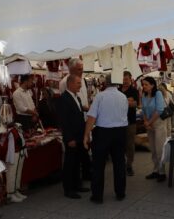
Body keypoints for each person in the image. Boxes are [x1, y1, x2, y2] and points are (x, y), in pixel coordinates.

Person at [83, 74, 128, 204]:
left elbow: (92, 117)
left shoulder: (100, 96)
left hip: (103, 132)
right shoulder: (123, 97)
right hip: (120, 132)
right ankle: (120, 192)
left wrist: (86, 135)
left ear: (105, 83)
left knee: (98, 165)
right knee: (119, 163)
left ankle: (97, 196)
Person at [59, 58, 91, 180]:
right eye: (79, 69)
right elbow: (65, 116)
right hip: (72, 129)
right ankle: (70, 186)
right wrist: (69, 137)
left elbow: (79, 103)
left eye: (82, 69)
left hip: (81, 125)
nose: (81, 71)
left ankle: (79, 181)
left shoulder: (80, 83)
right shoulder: (64, 84)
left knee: (79, 156)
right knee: (71, 159)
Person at [58, 75, 89, 199]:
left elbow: (79, 117)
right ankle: (68, 189)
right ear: (70, 84)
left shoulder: (77, 98)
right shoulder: (64, 99)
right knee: (70, 163)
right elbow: (64, 121)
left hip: (79, 135)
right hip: (71, 137)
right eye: (78, 83)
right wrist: (69, 138)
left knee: (77, 162)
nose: (80, 86)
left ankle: (77, 184)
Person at [141, 77, 167, 182]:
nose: (144, 86)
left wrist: (149, 122)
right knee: (153, 149)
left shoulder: (158, 94)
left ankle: (162, 172)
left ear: (152, 85)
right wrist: (145, 122)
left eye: (146, 84)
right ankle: (155, 170)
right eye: (143, 84)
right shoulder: (144, 95)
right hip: (149, 124)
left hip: (158, 123)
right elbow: (143, 109)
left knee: (159, 149)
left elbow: (159, 110)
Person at [119, 71, 139, 176]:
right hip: (118, 122)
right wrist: (127, 101)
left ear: (130, 79)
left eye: (126, 79)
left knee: (130, 144)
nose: (125, 81)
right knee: (120, 144)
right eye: (123, 79)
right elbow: (127, 103)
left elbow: (134, 104)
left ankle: (129, 165)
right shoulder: (117, 90)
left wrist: (123, 102)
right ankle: (121, 164)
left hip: (130, 121)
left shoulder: (134, 91)